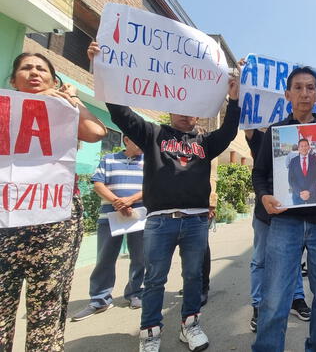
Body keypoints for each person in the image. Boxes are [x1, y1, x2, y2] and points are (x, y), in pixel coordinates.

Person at [88, 42, 240, 352]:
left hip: (196, 222)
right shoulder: (152, 134)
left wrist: (234, 99)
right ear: (170, 109)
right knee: (154, 280)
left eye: (194, 111)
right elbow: (120, 112)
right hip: (159, 223)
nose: (188, 116)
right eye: (182, 109)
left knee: (194, 277)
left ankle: (190, 325)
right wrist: (100, 68)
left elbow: (229, 129)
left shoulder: (206, 142)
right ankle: (150, 332)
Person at [0, 52, 106, 351]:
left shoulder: (64, 108)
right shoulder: (4, 110)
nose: (34, 73)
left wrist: (69, 101)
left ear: (53, 79)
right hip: (5, 220)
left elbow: (96, 131)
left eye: (41, 69)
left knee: (47, 300)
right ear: (13, 79)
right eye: (26, 68)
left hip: (54, 219)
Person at [252, 67, 316, 352]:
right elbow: (259, 175)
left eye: (310, 88)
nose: (304, 93)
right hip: (286, 222)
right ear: (287, 94)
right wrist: (264, 196)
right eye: (298, 87)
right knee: (274, 296)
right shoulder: (276, 133)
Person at [72, 136, 145, 321]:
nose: (143, 144)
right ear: (127, 140)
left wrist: (130, 200)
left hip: (138, 217)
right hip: (110, 216)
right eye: (139, 139)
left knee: (140, 257)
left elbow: (152, 186)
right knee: (105, 258)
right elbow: (98, 184)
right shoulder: (109, 159)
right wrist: (117, 202)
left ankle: (136, 293)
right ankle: (100, 299)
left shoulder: (148, 161)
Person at [245, 128, 311, 333]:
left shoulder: (292, 133)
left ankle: (296, 298)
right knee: (260, 260)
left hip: (292, 210)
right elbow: (247, 124)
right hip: (265, 213)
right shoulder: (259, 135)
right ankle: (258, 305)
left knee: (293, 259)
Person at [288, 138, 316, 205]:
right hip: (298, 197)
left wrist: (309, 192)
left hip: (313, 196)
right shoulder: (293, 161)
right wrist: (300, 192)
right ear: (298, 148)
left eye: (305, 146)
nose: (304, 148)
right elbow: (291, 179)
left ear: (309, 147)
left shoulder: (315, 159)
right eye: (301, 146)